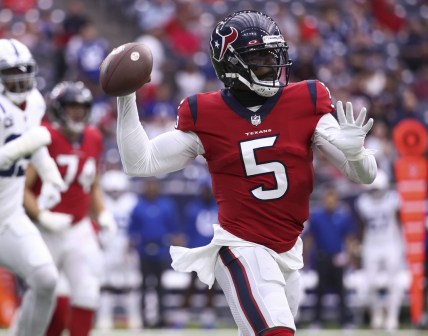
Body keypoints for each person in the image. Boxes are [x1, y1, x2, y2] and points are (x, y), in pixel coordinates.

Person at [116, 10, 377, 336]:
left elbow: (365, 176)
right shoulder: (206, 114)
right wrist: (126, 96)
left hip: (287, 251)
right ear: (231, 64)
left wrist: (356, 153)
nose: (274, 65)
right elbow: (140, 162)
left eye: (275, 54)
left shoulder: (306, 99)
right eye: (261, 58)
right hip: (240, 245)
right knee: (278, 331)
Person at [23, 80, 117, 336]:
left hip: (79, 227)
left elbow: (93, 184)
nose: (77, 112)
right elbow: (24, 189)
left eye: (82, 106)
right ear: (58, 108)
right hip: (46, 229)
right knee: (49, 294)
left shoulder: (94, 137)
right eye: (71, 106)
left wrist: (103, 213)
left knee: (88, 291)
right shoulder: (44, 136)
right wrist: (42, 216)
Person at [0, 38, 66, 336]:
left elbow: (35, 143)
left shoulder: (34, 101)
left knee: (45, 280)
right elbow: (31, 140)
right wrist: (26, 143)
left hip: (8, 218)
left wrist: (50, 175)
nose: (19, 79)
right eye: (10, 73)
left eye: (23, 71)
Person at [355, 169, 406, 331]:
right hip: (371, 245)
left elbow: (400, 221)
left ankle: (392, 316)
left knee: (394, 282)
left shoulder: (393, 199)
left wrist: (402, 242)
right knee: (369, 282)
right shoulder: (363, 201)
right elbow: (362, 225)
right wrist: (359, 245)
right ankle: (377, 314)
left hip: (391, 243)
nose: (375, 192)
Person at [128, 177, 181, 328]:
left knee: (160, 286)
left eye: (153, 185)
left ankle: (161, 318)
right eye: (148, 185)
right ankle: (143, 319)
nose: (151, 188)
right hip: (144, 249)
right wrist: (131, 241)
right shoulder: (139, 206)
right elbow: (133, 228)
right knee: (144, 285)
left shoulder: (166, 205)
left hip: (161, 249)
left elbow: (173, 226)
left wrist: (175, 238)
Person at [304, 184, 358, 327]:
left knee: (341, 289)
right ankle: (317, 320)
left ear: (336, 200)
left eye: (333, 199)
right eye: (328, 199)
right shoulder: (316, 216)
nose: (330, 202)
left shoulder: (342, 216)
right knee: (319, 290)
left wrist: (351, 257)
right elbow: (309, 238)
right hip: (322, 257)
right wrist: (305, 257)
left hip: (338, 257)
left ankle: (345, 321)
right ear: (323, 200)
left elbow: (348, 238)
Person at [95, 169, 142, 330]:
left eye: (118, 190)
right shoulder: (100, 200)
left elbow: (138, 224)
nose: (115, 193)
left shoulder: (132, 201)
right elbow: (94, 222)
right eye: (112, 190)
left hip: (127, 246)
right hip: (106, 245)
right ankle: (104, 318)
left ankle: (134, 318)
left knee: (131, 284)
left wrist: (134, 239)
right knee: (104, 284)